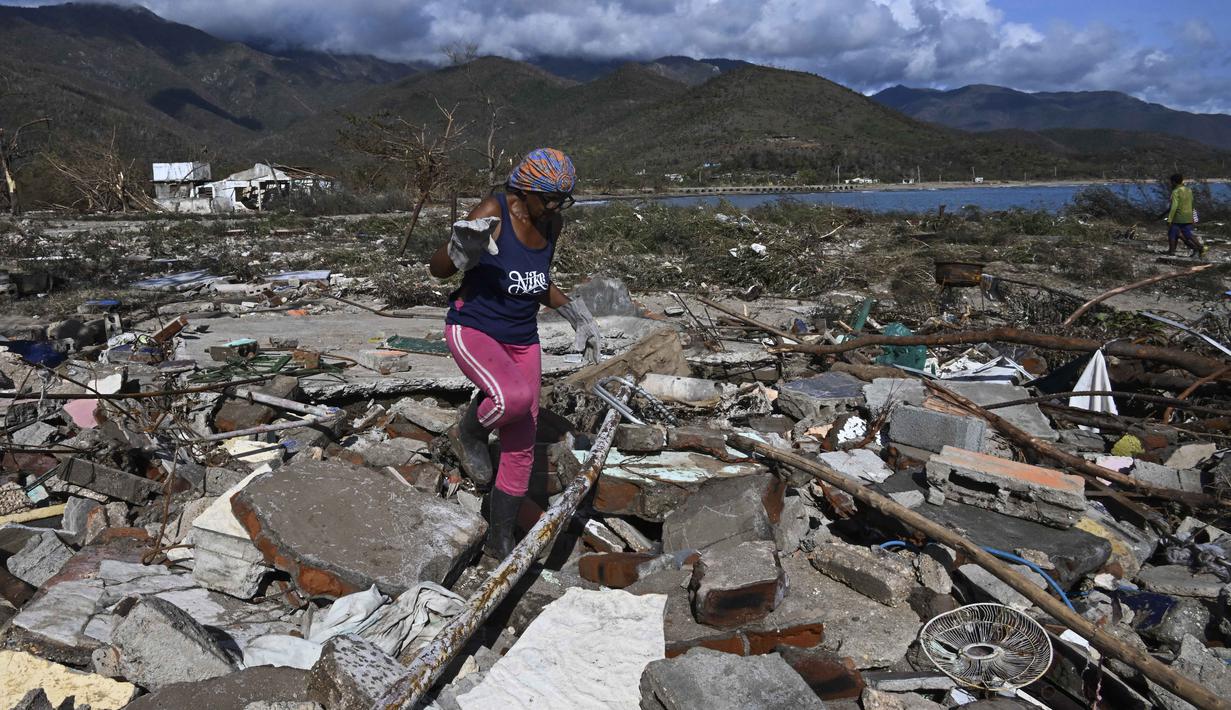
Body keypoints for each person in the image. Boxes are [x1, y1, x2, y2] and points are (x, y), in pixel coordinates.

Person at [428, 148, 602, 560]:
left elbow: (536, 279)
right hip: (475, 329)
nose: (557, 207)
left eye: (564, 199)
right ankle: (469, 431)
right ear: (524, 191)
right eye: (551, 198)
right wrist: (459, 250)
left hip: (523, 335)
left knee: (522, 438)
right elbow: (437, 269)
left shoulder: (551, 221)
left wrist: (577, 314)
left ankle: (498, 539)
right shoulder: (496, 209)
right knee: (512, 400)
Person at [1163, 173, 1207, 258]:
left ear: (1174, 182)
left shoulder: (1175, 192)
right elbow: (1191, 203)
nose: (1171, 184)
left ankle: (1171, 251)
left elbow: (1174, 206)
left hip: (1178, 216)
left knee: (1172, 233)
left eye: (1171, 182)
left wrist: (1169, 219)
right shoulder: (1188, 190)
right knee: (1187, 233)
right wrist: (1194, 217)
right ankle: (1200, 247)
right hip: (1188, 215)